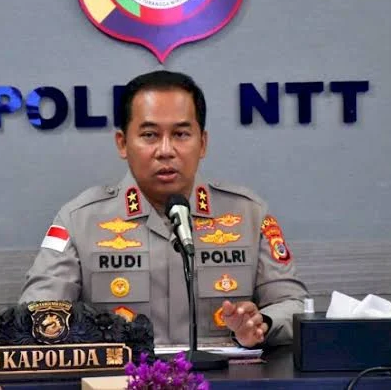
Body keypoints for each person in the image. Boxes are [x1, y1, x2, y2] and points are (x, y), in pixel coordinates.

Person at [20, 70, 308, 348]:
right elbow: (35, 314)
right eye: (149, 135)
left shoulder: (249, 214)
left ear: (203, 143)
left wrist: (260, 325)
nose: (166, 150)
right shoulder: (78, 221)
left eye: (181, 134)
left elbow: (294, 305)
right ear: (122, 143)